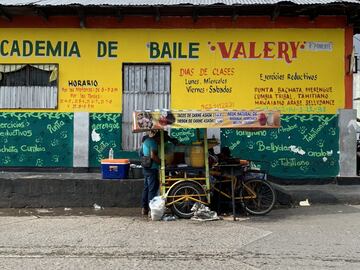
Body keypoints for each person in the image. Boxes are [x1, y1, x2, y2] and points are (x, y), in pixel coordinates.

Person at [141, 130, 161, 216]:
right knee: (152, 189)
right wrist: (161, 162)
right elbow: (153, 156)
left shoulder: (145, 141)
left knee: (146, 188)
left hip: (145, 167)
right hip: (152, 168)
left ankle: (144, 208)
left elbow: (141, 153)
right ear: (158, 137)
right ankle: (151, 210)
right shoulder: (153, 142)